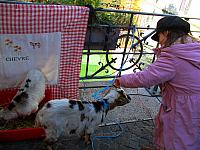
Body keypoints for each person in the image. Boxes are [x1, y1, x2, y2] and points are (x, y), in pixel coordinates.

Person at [114, 16, 200, 150]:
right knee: (189, 133)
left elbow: (145, 77)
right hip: (194, 102)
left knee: (177, 136)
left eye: (159, 36)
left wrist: (120, 80)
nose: (159, 42)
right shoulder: (192, 50)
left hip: (182, 105)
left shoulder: (173, 56)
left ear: (166, 33)